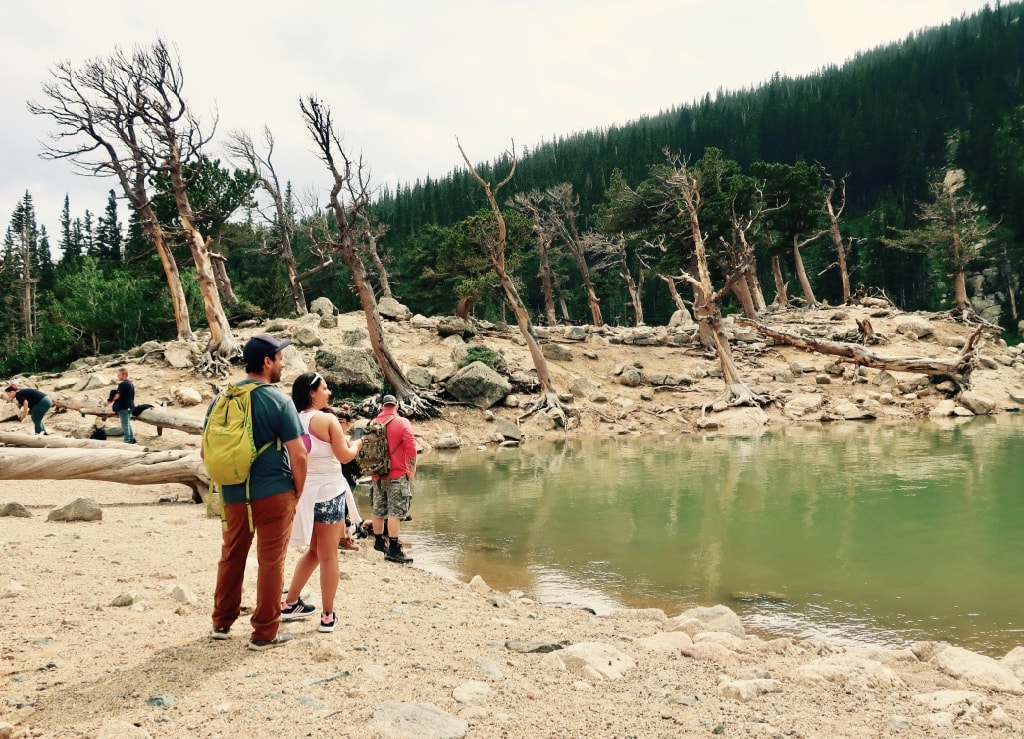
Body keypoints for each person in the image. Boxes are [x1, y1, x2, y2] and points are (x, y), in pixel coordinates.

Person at [208, 334, 307, 651]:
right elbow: (299, 453)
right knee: (271, 562)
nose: (282, 363)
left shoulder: (221, 399)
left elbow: (207, 451)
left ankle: (221, 622)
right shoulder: (279, 400)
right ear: (267, 362)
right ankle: (265, 633)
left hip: (233, 495)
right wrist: (297, 491)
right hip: (273, 493)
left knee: (231, 555)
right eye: (279, 357)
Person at [281, 373, 361, 633]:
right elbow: (345, 456)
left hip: (306, 494)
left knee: (315, 551)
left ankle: (290, 603)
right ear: (312, 392)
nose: (329, 393)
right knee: (328, 556)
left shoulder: (293, 420)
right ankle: (328, 616)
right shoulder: (326, 419)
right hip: (329, 492)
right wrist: (358, 443)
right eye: (325, 388)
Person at [370, 394, 417, 564]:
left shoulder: (373, 422)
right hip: (397, 474)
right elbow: (411, 446)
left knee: (378, 510)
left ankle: (378, 542)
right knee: (394, 513)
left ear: (382, 406)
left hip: (376, 474)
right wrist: (412, 468)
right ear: (396, 406)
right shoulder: (402, 422)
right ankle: (394, 549)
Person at [105, 368, 136, 444]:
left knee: (125, 425)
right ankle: (131, 439)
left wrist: (109, 402)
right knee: (127, 423)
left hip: (123, 407)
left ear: (124, 374)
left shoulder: (123, 384)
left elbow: (117, 395)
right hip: (130, 406)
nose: (117, 376)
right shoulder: (130, 383)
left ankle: (127, 441)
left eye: (119, 374)